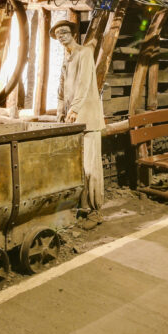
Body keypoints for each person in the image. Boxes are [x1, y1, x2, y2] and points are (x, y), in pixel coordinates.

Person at [51, 19, 105, 221]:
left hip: (87, 117)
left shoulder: (84, 53)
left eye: (64, 32)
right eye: (57, 34)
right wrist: (60, 109)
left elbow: (84, 83)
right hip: (73, 118)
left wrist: (74, 108)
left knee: (90, 166)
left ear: (73, 34)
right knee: (79, 165)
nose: (61, 36)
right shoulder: (67, 57)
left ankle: (94, 210)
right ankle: (81, 206)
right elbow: (62, 87)